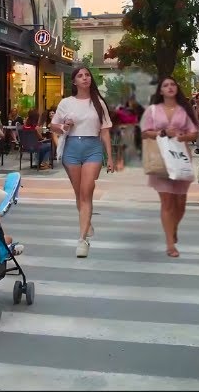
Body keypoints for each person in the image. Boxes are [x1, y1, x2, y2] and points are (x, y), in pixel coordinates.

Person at [49, 66, 113, 258]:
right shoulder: (66, 103)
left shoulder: (98, 103)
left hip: (93, 147)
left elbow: (105, 130)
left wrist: (109, 156)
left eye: (87, 75)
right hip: (72, 149)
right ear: (74, 81)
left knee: (86, 191)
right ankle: (87, 223)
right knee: (79, 194)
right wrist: (63, 125)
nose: (84, 78)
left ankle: (82, 240)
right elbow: (53, 126)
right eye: (80, 75)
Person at [140, 76, 199, 258]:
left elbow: (194, 132)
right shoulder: (152, 110)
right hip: (160, 160)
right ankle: (169, 244)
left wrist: (183, 137)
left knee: (180, 204)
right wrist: (162, 132)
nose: (170, 87)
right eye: (165, 85)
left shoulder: (184, 110)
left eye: (173, 84)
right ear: (160, 91)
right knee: (167, 202)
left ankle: (173, 227)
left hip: (180, 160)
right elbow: (144, 133)